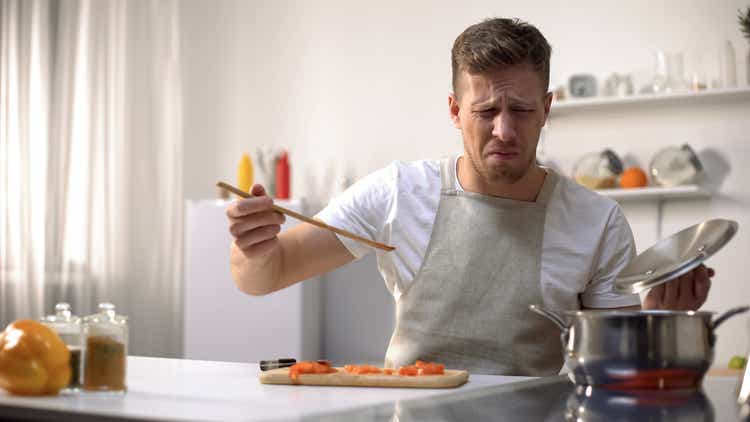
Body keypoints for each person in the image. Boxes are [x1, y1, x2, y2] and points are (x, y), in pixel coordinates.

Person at [225, 18, 712, 375]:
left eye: (521, 109)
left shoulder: (597, 220)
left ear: (546, 110)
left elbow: (616, 370)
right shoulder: (399, 192)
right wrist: (252, 249)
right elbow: (265, 276)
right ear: (456, 112)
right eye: (486, 110)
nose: (504, 129)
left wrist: (666, 317)